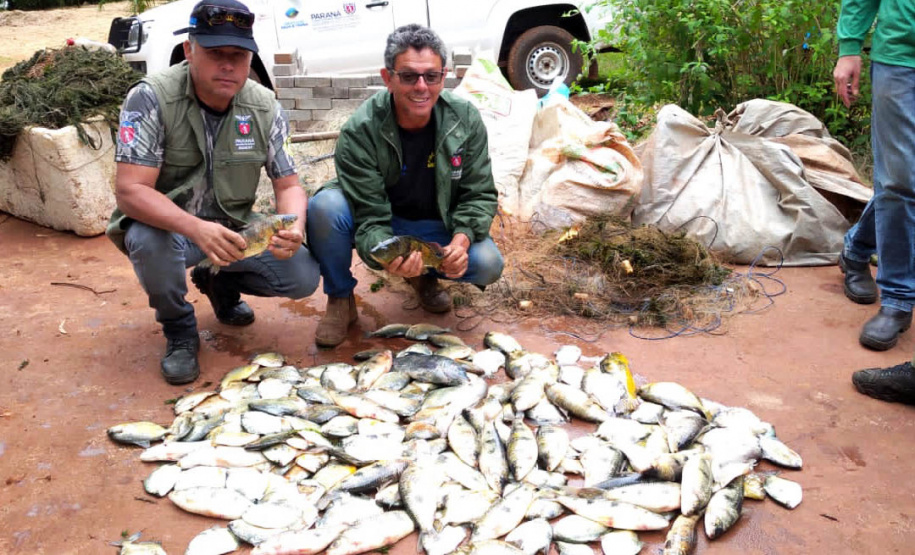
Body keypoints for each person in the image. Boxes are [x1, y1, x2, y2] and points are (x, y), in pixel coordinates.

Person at [106, 0, 320, 384]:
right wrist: (195, 229)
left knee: (301, 276)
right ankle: (179, 329)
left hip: (234, 227)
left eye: (237, 55)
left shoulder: (265, 106)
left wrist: (293, 227)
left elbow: (288, 185)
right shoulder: (151, 97)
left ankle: (219, 282)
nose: (227, 65)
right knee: (148, 242)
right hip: (169, 228)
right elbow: (130, 191)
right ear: (189, 51)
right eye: (214, 53)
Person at [306, 24, 504, 348]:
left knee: (487, 263)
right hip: (387, 222)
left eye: (432, 76)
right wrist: (385, 254)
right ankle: (340, 298)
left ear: (445, 76)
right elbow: (370, 216)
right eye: (409, 76)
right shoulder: (361, 130)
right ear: (388, 78)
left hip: (436, 224)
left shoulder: (464, 118)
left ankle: (423, 276)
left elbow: (479, 194)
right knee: (325, 208)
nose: (422, 87)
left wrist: (460, 242)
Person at [833, 0, 915, 403]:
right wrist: (849, 44)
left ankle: (857, 247)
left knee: (903, 184)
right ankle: (899, 299)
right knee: (900, 180)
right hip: (902, 57)